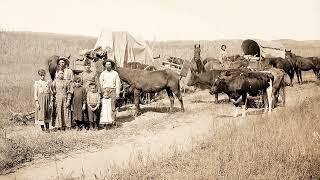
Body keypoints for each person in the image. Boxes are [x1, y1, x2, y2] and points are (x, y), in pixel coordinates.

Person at [99, 60, 121, 128]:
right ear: (105, 65)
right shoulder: (103, 73)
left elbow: (118, 83)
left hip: (113, 90)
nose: (108, 65)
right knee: (105, 106)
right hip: (105, 90)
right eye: (107, 64)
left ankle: (113, 121)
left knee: (113, 106)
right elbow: (100, 83)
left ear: (111, 65)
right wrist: (102, 91)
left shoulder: (115, 73)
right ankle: (106, 122)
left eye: (109, 64)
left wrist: (117, 93)